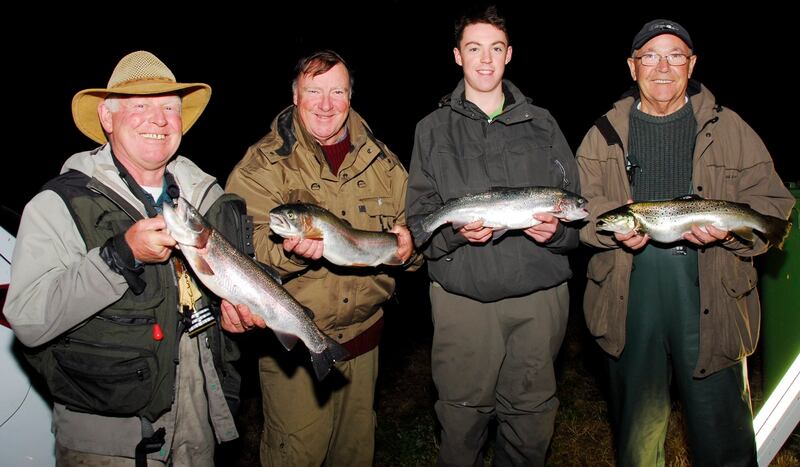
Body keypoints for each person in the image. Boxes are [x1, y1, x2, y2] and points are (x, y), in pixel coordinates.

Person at [2, 50, 260, 466]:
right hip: (108, 438)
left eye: (169, 108)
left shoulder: (204, 199)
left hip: (198, 421)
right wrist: (120, 256)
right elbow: (28, 318)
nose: (159, 120)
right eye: (140, 106)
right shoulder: (60, 204)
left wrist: (233, 313)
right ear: (107, 118)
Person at [577, 19, 795, 466]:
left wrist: (733, 236)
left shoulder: (731, 127)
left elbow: (772, 203)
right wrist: (613, 233)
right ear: (632, 67)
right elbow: (580, 213)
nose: (662, 67)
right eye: (649, 56)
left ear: (691, 64)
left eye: (675, 55)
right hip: (629, 292)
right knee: (638, 437)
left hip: (712, 286)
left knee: (722, 432)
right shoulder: (602, 133)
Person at [405, 6, 581, 466]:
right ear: (457, 56)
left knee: (530, 419)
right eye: (475, 48)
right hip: (463, 300)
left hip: (538, 299)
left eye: (496, 49)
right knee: (461, 421)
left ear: (509, 56)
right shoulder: (430, 129)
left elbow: (576, 210)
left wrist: (557, 233)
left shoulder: (543, 124)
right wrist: (457, 236)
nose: (486, 60)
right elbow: (421, 218)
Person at [225, 49, 419, 466]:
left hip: (366, 345)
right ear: (296, 96)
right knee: (297, 456)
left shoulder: (383, 162)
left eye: (338, 91)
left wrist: (408, 251)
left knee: (354, 455)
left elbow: (417, 235)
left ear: (350, 97)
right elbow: (241, 249)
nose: (326, 104)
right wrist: (290, 255)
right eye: (314, 91)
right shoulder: (262, 164)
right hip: (294, 347)